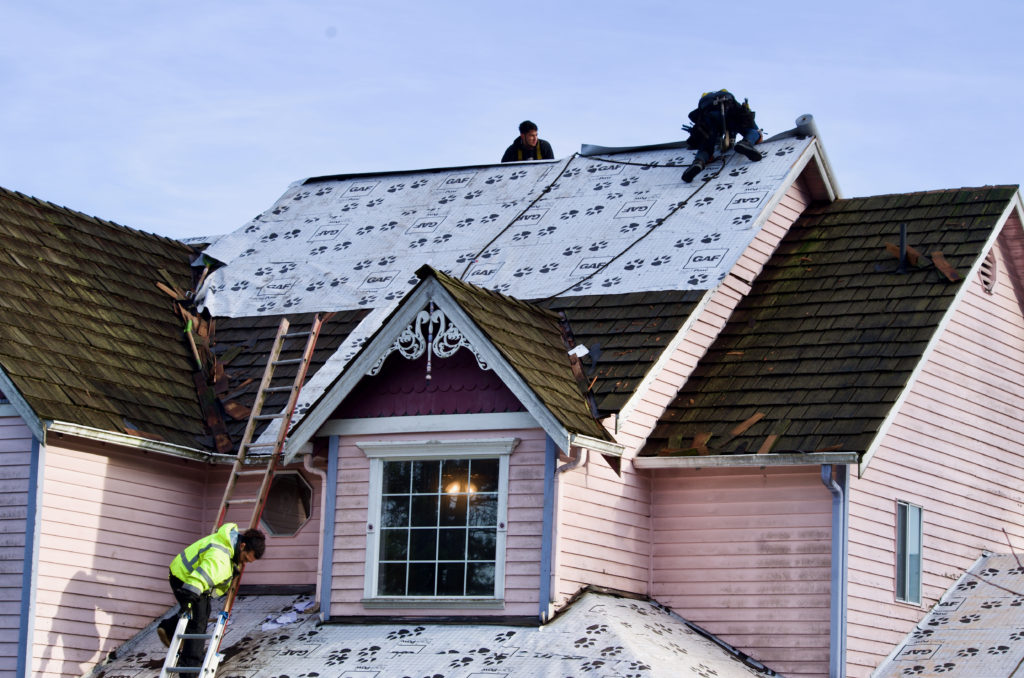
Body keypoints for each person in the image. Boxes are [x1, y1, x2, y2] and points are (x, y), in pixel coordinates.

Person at [157, 523, 266, 667]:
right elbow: (199, 579)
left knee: (202, 612)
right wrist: (189, 598)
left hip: (185, 574)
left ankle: (169, 627)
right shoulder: (220, 557)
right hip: (186, 579)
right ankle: (191, 670)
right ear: (242, 546)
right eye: (245, 559)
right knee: (198, 622)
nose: (243, 563)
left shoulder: (229, 546)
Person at [682, 90, 763, 182]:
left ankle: (698, 162)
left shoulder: (706, 101)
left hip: (708, 112)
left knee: (706, 147)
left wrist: (708, 154)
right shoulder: (736, 107)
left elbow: (705, 136)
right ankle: (746, 143)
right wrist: (757, 136)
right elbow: (752, 127)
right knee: (752, 131)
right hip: (729, 107)